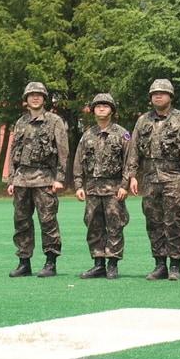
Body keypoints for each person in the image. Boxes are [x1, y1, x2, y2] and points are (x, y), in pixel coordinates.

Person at [124, 79, 180, 281]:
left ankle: (175, 264)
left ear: (170, 96)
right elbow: (134, 150)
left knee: (174, 221)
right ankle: (159, 264)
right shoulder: (143, 121)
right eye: (154, 93)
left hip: (174, 176)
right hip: (149, 177)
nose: (158, 96)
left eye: (162, 93)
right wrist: (132, 176)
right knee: (153, 222)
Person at [4, 81, 69, 278]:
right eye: (31, 95)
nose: (35, 97)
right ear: (26, 99)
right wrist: (11, 179)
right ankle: (24, 262)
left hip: (44, 179)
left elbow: (62, 151)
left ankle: (50, 262)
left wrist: (59, 178)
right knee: (21, 222)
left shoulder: (54, 121)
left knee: (48, 221)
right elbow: (14, 150)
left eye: (39, 95)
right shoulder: (21, 122)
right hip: (22, 179)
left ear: (44, 99)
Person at [74, 92, 130, 280]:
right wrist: (78, 185)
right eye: (98, 106)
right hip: (92, 188)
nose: (101, 108)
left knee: (115, 225)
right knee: (93, 225)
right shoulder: (87, 135)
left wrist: (125, 185)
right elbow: (78, 162)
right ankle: (98, 263)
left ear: (112, 110)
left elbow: (129, 162)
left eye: (105, 106)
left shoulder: (122, 134)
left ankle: (112, 263)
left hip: (114, 188)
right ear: (93, 110)